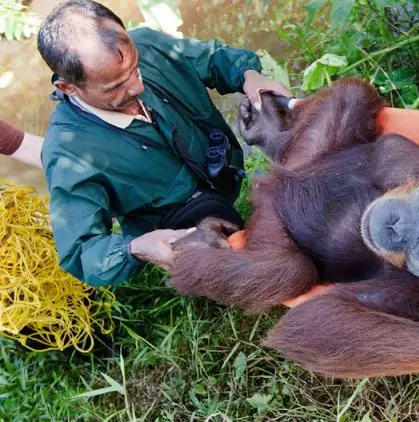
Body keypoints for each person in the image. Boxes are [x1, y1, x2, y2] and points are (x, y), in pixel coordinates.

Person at [37, 0, 291, 286]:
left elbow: (213, 58)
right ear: (68, 87)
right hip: (185, 233)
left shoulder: (148, 44)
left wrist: (251, 78)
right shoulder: (68, 152)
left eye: (135, 68)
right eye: (115, 87)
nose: (137, 87)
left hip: (221, 180)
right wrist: (136, 249)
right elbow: (81, 252)